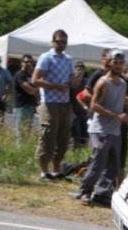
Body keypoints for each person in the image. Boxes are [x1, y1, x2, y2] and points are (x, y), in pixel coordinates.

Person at [75, 49, 128, 206]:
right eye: (115, 62)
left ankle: (102, 193)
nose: (118, 66)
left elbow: (120, 105)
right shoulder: (103, 82)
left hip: (115, 130)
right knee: (98, 163)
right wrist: (114, 115)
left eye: (121, 63)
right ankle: (85, 191)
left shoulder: (123, 84)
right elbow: (94, 105)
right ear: (109, 63)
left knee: (113, 165)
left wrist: (125, 113)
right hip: (100, 129)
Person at [32, 29, 83, 180]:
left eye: (64, 42)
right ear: (53, 42)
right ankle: (44, 169)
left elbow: (72, 82)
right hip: (49, 101)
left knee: (63, 136)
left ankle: (56, 169)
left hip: (64, 102)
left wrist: (77, 79)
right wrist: (55, 86)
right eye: (59, 41)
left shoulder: (68, 59)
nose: (61, 44)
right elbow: (35, 80)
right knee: (49, 135)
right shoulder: (46, 57)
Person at [12, 54, 39, 147]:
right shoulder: (20, 74)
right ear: (21, 63)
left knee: (27, 130)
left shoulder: (30, 75)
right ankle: (19, 152)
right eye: (26, 61)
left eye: (31, 62)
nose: (28, 63)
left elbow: (34, 89)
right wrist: (37, 91)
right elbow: (27, 88)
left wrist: (35, 92)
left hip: (30, 105)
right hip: (21, 106)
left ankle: (24, 151)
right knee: (20, 132)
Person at [69, 61, 88, 148]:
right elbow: (66, 98)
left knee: (85, 134)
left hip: (83, 113)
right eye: (78, 70)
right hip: (73, 112)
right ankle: (74, 154)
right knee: (76, 134)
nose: (80, 72)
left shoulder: (86, 83)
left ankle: (82, 155)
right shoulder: (71, 83)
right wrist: (70, 112)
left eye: (82, 70)